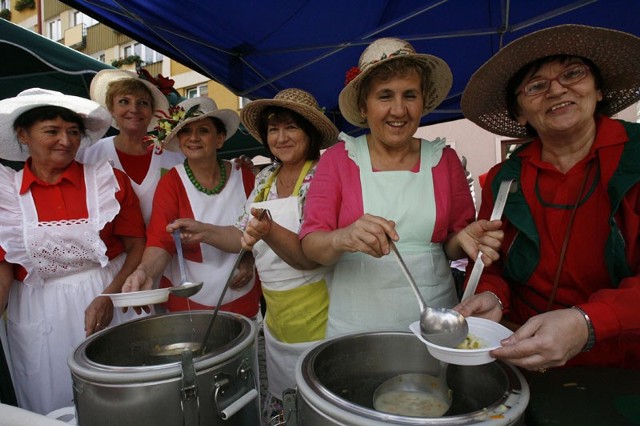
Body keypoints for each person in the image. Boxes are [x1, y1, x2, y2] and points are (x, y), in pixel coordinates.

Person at [458, 24, 640, 371]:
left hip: (626, 364)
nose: (557, 89)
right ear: (520, 113)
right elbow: (489, 262)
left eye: (573, 73)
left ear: (598, 90)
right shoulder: (503, 179)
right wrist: (492, 295)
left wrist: (586, 322)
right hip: (521, 353)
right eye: (537, 86)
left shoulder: (636, 155)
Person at [299, 37, 503, 337]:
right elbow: (310, 247)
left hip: (433, 323)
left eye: (410, 95)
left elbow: (450, 246)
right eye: (385, 96)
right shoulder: (339, 159)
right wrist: (343, 237)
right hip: (356, 325)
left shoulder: (444, 160)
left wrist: (464, 238)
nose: (399, 110)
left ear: (423, 102)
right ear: (363, 106)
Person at [0, 88, 146, 414]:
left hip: (107, 294)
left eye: (73, 132)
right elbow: (3, 271)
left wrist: (109, 296)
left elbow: (137, 246)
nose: (65, 141)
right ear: (23, 134)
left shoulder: (107, 181)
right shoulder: (5, 195)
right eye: (51, 131)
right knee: (50, 400)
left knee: (120, 400)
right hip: (38, 309)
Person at [238, 88, 338, 419]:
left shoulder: (322, 175)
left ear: (309, 132)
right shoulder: (265, 176)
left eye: (291, 127)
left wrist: (266, 231)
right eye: (273, 129)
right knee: (285, 402)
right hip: (276, 315)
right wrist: (206, 232)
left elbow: (311, 257)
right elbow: (246, 232)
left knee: (317, 398)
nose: (280, 137)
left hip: (318, 312)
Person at [123, 96, 259, 317]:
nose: (193, 138)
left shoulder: (244, 175)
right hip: (190, 301)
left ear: (220, 138)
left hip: (241, 293)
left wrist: (249, 257)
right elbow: (161, 241)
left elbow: (260, 231)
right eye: (186, 131)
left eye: (203, 130)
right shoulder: (171, 183)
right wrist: (143, 271)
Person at [77, 69, 184, 223]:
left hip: (166, 245)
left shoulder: (175, 155)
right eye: (124, 101)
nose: (134, 109)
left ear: (152, 111)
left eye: (143, 102)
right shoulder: (88, 154)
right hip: (108, 246)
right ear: (111, 109)